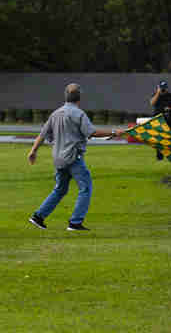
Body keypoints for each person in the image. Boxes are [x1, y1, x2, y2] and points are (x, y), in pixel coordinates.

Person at [27, 83, 122, 231]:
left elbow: (42, 134)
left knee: (60, 189)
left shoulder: (56, 114)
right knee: (86, 187)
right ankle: (75, 223)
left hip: (58, 159)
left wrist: (33, 151)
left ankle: (38, 217)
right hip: (73, 158)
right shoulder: (79, 114)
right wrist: (113, 132)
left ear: (66, 96)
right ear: (79, 98)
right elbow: (91, 133)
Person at [149, 80, 171, 160]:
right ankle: (159, 157)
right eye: (161, 88)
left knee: (170, 138)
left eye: (164, 88)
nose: (163, 89)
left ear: (167, 88)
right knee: (159, 139)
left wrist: (169, 109)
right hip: (158, 119)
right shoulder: (155, 95)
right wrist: (158, 93)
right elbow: (152, 103)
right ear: (158, 87)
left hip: (169, 119)